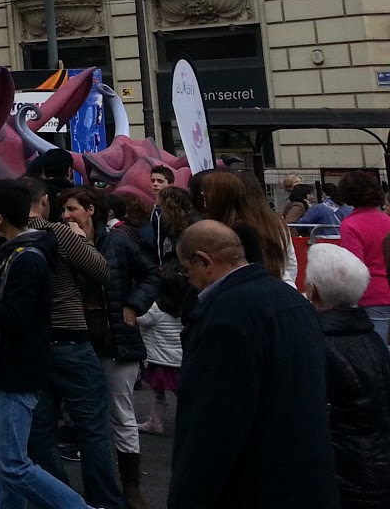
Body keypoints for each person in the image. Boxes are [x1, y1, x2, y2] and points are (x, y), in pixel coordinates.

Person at [168, 220, 336, 509]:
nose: (188, 280)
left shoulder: (226, 316)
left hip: (254, 483)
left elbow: (211, 424)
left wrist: (187, 497)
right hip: (307, 476)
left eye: (186, 270)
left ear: (204, 260)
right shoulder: (291, 299)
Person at [0, 180, 91, 509]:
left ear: (0, 217)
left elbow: (15, 318)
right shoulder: (21, 253)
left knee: (12, 464)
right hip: (15, 366)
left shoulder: (26, 258)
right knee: (7, 463)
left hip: (18, 368)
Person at [62, 188, 159, 509]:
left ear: (90, 210)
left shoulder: (117, 241)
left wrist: (134, 304)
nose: (66, 215)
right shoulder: (63, 242)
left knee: (121, 413)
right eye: (64, 210)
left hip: (115, 338)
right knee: (88, 417)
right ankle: (100, 486)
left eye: (72, 209)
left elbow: (152, 274)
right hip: (78, 338)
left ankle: (131, 486)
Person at [304, 243, 390, 509]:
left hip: (345, 472)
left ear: (313, 291)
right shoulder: (373, 339)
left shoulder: (316, 345)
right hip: (375, 463)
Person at [192, 168, 296, 284]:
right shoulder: (276, 221)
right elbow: (291, 261)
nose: (204, 196)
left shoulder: (240, 229)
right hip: (281, 283)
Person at [337, 170, 390, 343]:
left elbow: (355, 268)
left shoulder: (350, 225)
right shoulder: (387, 220)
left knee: (377, 350)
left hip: (371, 295)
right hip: (387, 289)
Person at [136, 266, 186, 437]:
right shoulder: (184, 308)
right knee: (182, 393)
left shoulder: (156, 308)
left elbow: (142, 321)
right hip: (179, 359)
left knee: (159, 394)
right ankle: (191, 418)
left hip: (160, 359)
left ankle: (155, 422)